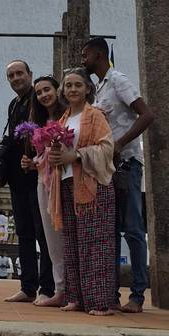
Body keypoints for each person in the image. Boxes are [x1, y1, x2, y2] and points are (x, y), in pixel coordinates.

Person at [82, 37, 155, 314]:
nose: (83, 59)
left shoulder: (118, 80)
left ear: (99, 54)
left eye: (86, 54)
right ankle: (110, 293)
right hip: (106, 167)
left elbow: (147, 115)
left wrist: (121, 143)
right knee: (109, 230)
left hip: (127, 164)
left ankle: (137, 295)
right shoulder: (99, 88)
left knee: (134, 229)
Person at [49, 67, 116, 316]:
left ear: (88, 88)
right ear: (63, 90)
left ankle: (99, 301)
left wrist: (76, 155)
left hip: (92, 186)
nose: (73, 89)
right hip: (66, 183)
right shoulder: (63, 120)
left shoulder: (95, 116)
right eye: (68, 85)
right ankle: (75, 297)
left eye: (78, 85)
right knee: (72, 243)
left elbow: (107, 148)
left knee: (95, 243)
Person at [0, 60, 55, 304]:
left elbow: (47, 131)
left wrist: (36, 159)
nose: (16, 78)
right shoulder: (14, 104)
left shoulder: (37, 99)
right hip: (16, 175)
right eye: (11, 75)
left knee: (43, 231)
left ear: (29, 74)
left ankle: (48, 287)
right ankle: (28, 286)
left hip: (36, 172)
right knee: (24, 232)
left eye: (20, 73)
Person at [23, 75, 68, 307]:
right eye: (39, 92)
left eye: (47, 90)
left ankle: (70, 288)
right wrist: (32, 163)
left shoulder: (68, 115)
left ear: (57, 90)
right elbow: (40, 156)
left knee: (67, 234)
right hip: (44, 180)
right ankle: (60, 288)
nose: (43, 95)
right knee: (51, 237)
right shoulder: (38, 121)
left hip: (65, 179)